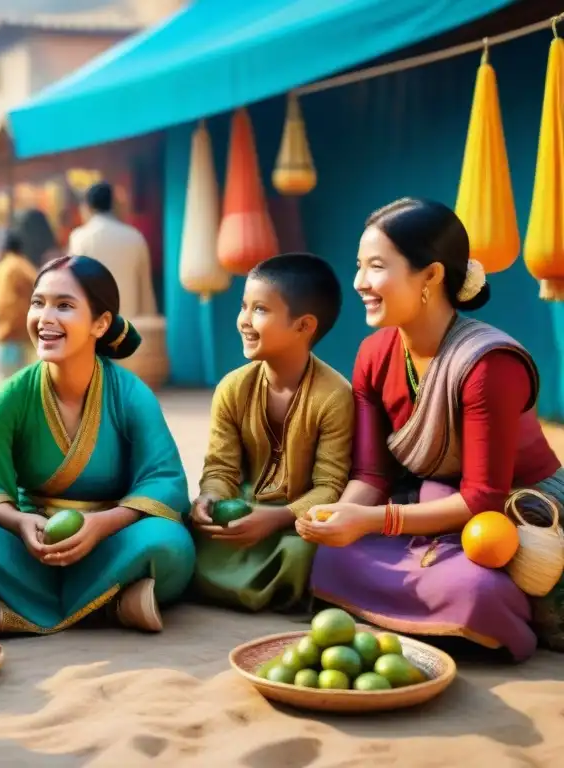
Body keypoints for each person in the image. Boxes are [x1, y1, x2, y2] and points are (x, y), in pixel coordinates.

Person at [297, 197, 564, 662]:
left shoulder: (488, 364)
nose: (360, 283)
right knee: (333, 556)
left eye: (376, 267)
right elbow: (372, 477)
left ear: (432, 276)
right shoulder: (374, 355)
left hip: (518, 511)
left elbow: (483, 497)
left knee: (476, 589)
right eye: (358, 266)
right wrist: (339, 516)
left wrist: (370, 520)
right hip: (433, 505)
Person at [0, 255, 194, 636]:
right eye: (38, 302)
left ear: (101, 323)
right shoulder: (9, 397)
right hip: (33, 549)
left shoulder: (130, 394)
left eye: (64, 305)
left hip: (111, 543)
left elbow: (164, 481)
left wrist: (103, 524)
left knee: (171, 543)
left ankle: (20, 609)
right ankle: (113, 604)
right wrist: (21, 522)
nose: (45, 318)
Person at [190, 253, 352, 612]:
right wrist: (210, 498)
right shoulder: (233, 387)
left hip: (297, 523)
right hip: (243, 513)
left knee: (308, 553)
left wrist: (278, 518)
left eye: (260, 310)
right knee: (183, 527)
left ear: (304, 325)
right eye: (243, 306)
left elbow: (331, 486)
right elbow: (221, 468)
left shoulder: (335, 396)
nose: (245, 321)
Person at [68, 182, 157, 319]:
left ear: (87, 207)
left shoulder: (80, 238)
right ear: (113, 205)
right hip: (129, 326)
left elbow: (74, 285)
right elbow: (145, 289)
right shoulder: (135, 237)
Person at [0, 232, 38, 378]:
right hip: (24, 329)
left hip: (8, 330)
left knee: (9, 377)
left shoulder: (3, 267)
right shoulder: (27, 267)